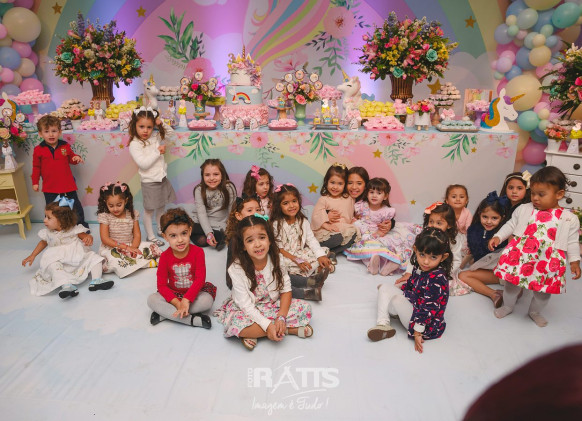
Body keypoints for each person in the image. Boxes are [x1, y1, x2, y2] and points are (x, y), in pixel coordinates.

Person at [491, 166, 581, 327]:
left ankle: (535, 311)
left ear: (559, 194)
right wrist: (498, 236)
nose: (535, 198)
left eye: (541, 194)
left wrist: (575, 260)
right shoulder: (524, 209)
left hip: (547, 262)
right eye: (533, 193)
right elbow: (511, 224)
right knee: (511, 285)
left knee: (543, 293)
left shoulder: (569, 218)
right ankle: (508, 306)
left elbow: (572, 241)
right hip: (520, 257)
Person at [214, 215, 313, 351]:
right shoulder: (235, 268)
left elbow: (286, 290)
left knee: (305, 308)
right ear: (243, 246)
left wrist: (281, 318)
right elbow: (246, 305)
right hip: (247, 309)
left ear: (269, 240)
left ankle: (263, 331)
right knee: (236, 325)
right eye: (250, 240)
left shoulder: (277, 259)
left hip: (271, 304)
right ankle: (286, 330)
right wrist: (267, 325)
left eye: (262, 237)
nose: (258, 244)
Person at [367, 227, 451, 354]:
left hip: (425, 324)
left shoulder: (438, 279)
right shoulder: (420, 267)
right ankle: (383, 325)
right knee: (384, 287)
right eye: (422, 255)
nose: (426, 261)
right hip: (414, 304)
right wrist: (398, 289)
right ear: (415, 250)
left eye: (433, 257)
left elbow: (429, 307)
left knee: (396, 299)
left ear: (443, 257)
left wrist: (418, 332)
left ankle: (392, 307)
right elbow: (412, 285)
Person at [22, 198, 112, 299]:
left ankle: (96, 280)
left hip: (76, 256)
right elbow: (43, 243)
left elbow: (83, 235)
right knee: (53, 267)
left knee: (94, 258)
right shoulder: (48, 233)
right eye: (45, 216)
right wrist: (33, 255)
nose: (44, 220)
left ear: (61, 220)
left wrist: (88, 237)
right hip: (57, 258)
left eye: (48, 218)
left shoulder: (73, 229)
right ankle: (66, 285)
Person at [147, 208, 216, 328]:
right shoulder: (164, 257)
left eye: (184, 233)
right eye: (173, 236)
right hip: (174, 295)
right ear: (165, 237)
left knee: (207, 301)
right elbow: (162, 285)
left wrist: (186, 300)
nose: (180, 240)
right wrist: (178, 304)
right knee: (151, 300)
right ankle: (193, 320)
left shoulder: (198, 252)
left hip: (194, 293)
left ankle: (165, 314)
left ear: (190, 231)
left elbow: (200, 280)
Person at [271, 183, 334, 301]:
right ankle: (315, 272)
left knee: (322, 250)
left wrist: (320, 256)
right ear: (279, 206)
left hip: (300, 253)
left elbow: (311, 240)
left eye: (294, 201)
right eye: (286, 203)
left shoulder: (303, 221)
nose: (291, 206)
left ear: (299, 201)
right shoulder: (276, 224)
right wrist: (297, 260)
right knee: (280, 267)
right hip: (286, 256)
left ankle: (322, 264)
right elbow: (279, 249)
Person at [345, 178, 419, 276]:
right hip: (365, 231)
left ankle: (387, 266)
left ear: (385, 196)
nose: (374, 195)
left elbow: (385, 228)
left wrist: (378, 233)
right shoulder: (362, 206)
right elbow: (356, 217)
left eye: (379, 193)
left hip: (379, 233)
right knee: (364, 246)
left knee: (386, 245)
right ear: (367, 193)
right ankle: (372, 265)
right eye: (371, 192)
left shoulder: (386, 211)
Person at [128, 107, 176, 246]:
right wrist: (157, 152)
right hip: (150, 182)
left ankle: (160, 229)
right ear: (134, 125)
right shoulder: (134, 144)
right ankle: (150, 236)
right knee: (149, 211)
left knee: (161, 207)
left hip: (161, 178)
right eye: (141, 127)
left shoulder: (155, 136)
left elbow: (171, 133)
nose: (145, 131)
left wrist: (161, 123)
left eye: (149, 127)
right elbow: (143, 164)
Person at [32, 115, 88, 229]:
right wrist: (35, 182)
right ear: (40, 134)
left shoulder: (65, 146)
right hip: (50, 187)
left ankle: (81, 226)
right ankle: (53, 228)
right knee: (51, 209)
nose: (51, 134)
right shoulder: (38, 150)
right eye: (46, 131)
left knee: (74, 206)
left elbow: (71, 158)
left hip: (67, 184)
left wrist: (76, 158)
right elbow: (36, 167)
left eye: (54, 131)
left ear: (60, 132)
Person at [452, 192, 508, 306]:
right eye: (485, 217)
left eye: (494, 218)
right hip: (484, 268)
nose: (489, 221)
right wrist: (459, 267)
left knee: (464, 275)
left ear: (502, 218)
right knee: (461, 275)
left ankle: (493, 294)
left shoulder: (503, 234)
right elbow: (472, 252)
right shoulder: (474, 229)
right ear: (479, 214)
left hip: (500, 271)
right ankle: (495, 294)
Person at [97, 181, 162, 278]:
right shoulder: (105, 216)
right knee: (113, 260)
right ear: (105, 203)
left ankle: (139, 262)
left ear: (125, 201)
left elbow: (137, 235)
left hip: (131, 245)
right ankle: (146, 263)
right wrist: (126, 248)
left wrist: (133, 249)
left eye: (119, 205)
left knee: (152, 247)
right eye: (111, 206)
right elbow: (105, 239)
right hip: (113, 247)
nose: (115, 209)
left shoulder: (132, 214)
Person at [396, 202, 465, 284]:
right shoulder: (426, 236)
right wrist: (408, 272)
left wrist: (443, 274)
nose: (434, 226)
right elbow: (415, 254)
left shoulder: (453, 240)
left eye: (439, 223)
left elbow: (456, 261)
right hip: (424, 266)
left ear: (449, 225)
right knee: (410, 283)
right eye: (431, 221)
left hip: (444, 270)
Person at [311, 163, 359, 259]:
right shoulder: (324, 199)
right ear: (326, 182)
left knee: (354, 233)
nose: (335, 187)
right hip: (327, 231)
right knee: (337, 238)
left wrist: (356, 218)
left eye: (340, 184)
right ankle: (317, 247)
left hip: (343, 228)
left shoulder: (349, 198)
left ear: (345, 184)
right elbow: (316, 215)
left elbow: (351, 212)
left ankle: (332, 252)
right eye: (332, 182)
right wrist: (326, 223)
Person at [191, 158, 236, 250]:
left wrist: (231, 229)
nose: (211, 178)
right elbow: (201, 214)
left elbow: (232, 210)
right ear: (203, 176)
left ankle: (219, 236)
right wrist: (209, 233)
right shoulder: (199, 190)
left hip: (220, 224)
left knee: (202, 240)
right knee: (197, 235)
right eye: (207, 175)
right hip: (201, 223)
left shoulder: (229, 187)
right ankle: (216, 236)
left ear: (222, 175)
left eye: (216, 174)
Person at [224, 194, 262, 289]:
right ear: (239, 215)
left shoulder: (264, 232)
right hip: (248, 281)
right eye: (249, 210)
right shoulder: (235, 240)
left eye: (258, 210)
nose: (255, 213)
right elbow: (230, 270)